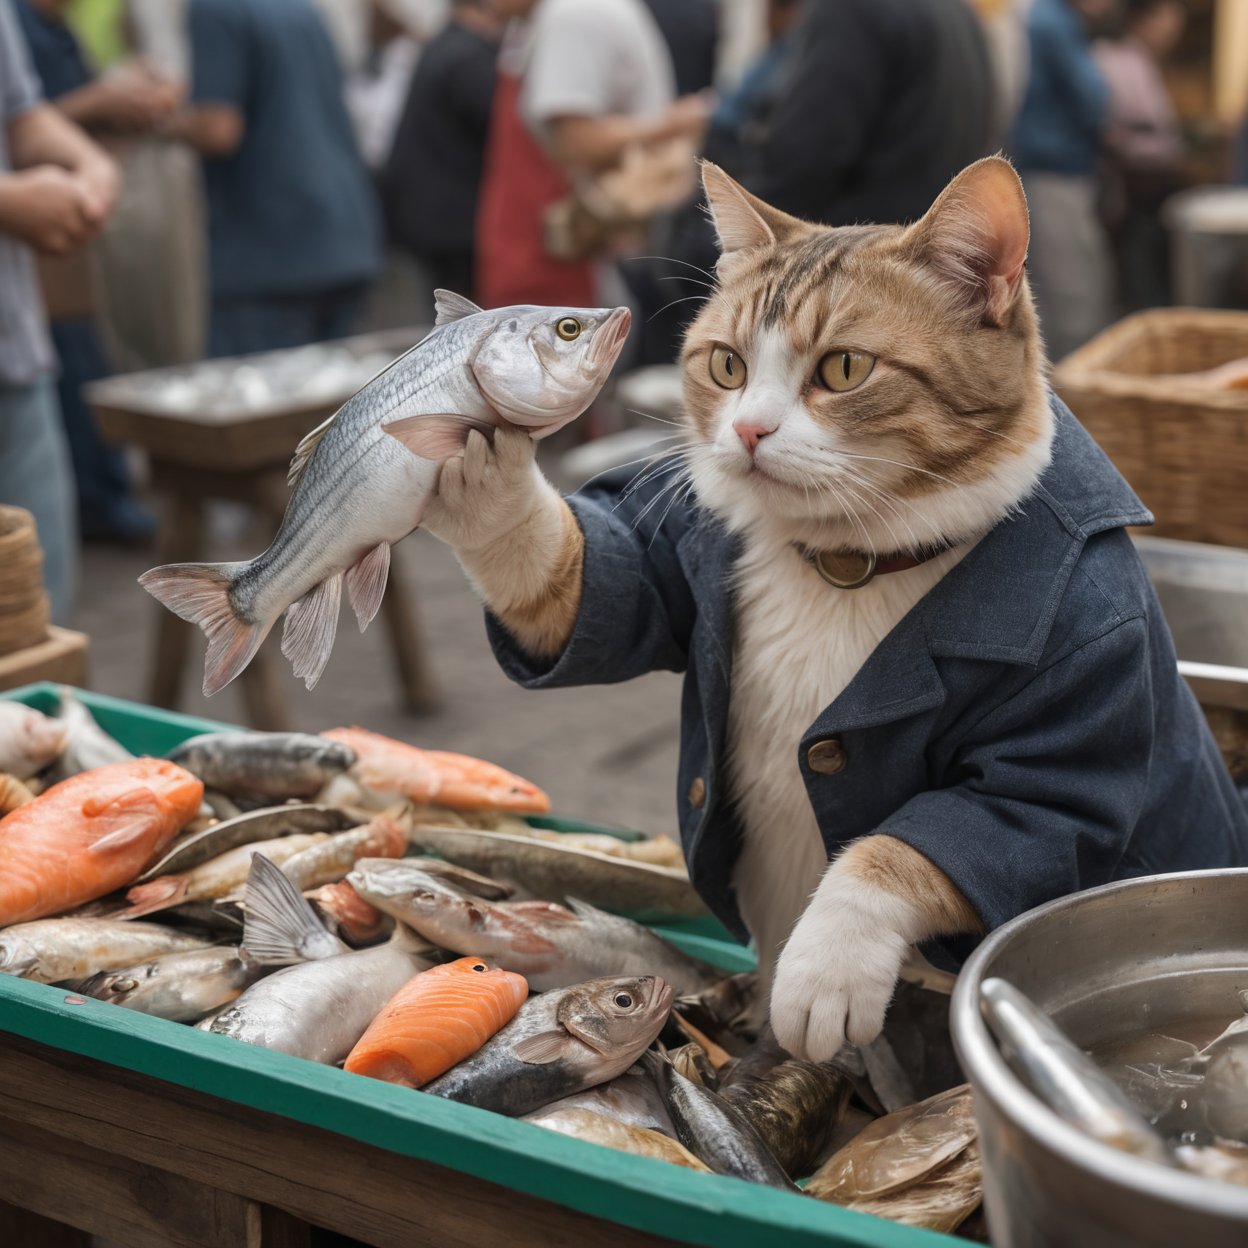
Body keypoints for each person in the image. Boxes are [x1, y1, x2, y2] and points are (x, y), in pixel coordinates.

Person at [15, 0, 178, 544]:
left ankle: (104, 498)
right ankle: (102, 502)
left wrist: (93, 159)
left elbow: (28, 116)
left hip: (43, 264)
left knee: (83, 368)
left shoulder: (53, 32)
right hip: (36, 253)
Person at [167, 0, 383, 358]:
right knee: (339, 405)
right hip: (343, 237)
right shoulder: (302, 9)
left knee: (254, 405)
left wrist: (157, 118)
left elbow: (218, 129)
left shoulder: (213, 9)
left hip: (268, 255)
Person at [0, 0, 118, 619]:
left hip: (17, 358)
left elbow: (21, 113)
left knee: (42, 625)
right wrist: (12, 201)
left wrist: (88, 162)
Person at [476, 0, 709, 310]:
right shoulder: (553, 17)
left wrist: (668, 126)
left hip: (578, 254)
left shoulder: (573, 15)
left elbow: (578, 143)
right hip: (550, 247)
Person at [744, 0, 994, 227]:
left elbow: (803, 155)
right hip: (926, 256)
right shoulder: (961, 12)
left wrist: (746, 230)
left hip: (855, 257)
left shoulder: (854, 9)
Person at [1011, 0, 1114, 362]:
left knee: (1053, 296)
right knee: (1074, 301)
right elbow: (1095, 98)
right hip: (1053, 174)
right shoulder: (1053, 22)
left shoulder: (1042, 17)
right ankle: (1076, 407)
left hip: (1045, 172)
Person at [382, 0, 502, 299]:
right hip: (454, 221)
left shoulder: (445, 45)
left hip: (428, 213)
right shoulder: (469, 55)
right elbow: (497, 130)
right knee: (464, 315)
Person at [1095, 0, 1187, 312]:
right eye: (1170, 17)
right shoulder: (1116, 59)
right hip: (1131, 194)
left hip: (1147, 193)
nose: (1175, 28)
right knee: (1138, 288)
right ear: (1146, 18)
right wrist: (1167, 147)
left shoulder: (1141, 61)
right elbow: (1114, 130)